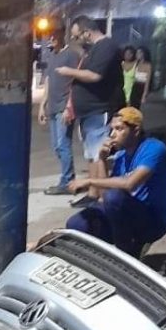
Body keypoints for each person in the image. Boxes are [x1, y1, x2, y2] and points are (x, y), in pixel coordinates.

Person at [66, 107, 166, 257]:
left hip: (152, 220)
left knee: (115, 197)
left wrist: (89, 181)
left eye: (119, 129)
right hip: (125, 216)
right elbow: (103, 197)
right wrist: (101, 159)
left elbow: (130, 183)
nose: (112, 134)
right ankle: (109, 255)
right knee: (76, 224)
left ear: (135, 130)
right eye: (112, 129)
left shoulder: (154, 148)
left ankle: (126, 254)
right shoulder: (121, 155)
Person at [59, 15, 123, 203]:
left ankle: (105, 201)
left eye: (77, 36)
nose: (77, 40)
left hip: (99, 110)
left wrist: (68, 71)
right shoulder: (94, 49)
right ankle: (93, 194)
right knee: (91, 156)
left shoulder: (106, 47)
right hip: (87, 113)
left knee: (99, 157)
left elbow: (95, 76)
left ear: (87, 32)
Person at [37, 28, 81, 195]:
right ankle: (69, 178)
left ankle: (67, 181)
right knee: (56, 146)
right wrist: (43, 105)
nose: (52, 39)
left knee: (63, 145)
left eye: (55, 36)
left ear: (63, 36)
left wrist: (69, 108)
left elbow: (75, 82)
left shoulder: (70, 55)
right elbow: (48, 81)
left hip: (64, 107)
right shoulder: (52, 56)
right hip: (53, 107)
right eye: (50, 36)